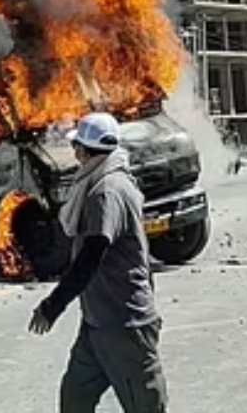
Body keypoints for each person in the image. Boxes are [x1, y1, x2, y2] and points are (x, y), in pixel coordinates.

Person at [29, 112, 166, 412]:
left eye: (77, 146)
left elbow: (92, 254)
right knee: (75, 401)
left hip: (123, 325)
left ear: (85, 150)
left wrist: (54, 305)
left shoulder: (106, 190)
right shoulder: (102, 180)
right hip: (96, 324)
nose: (74, 152)